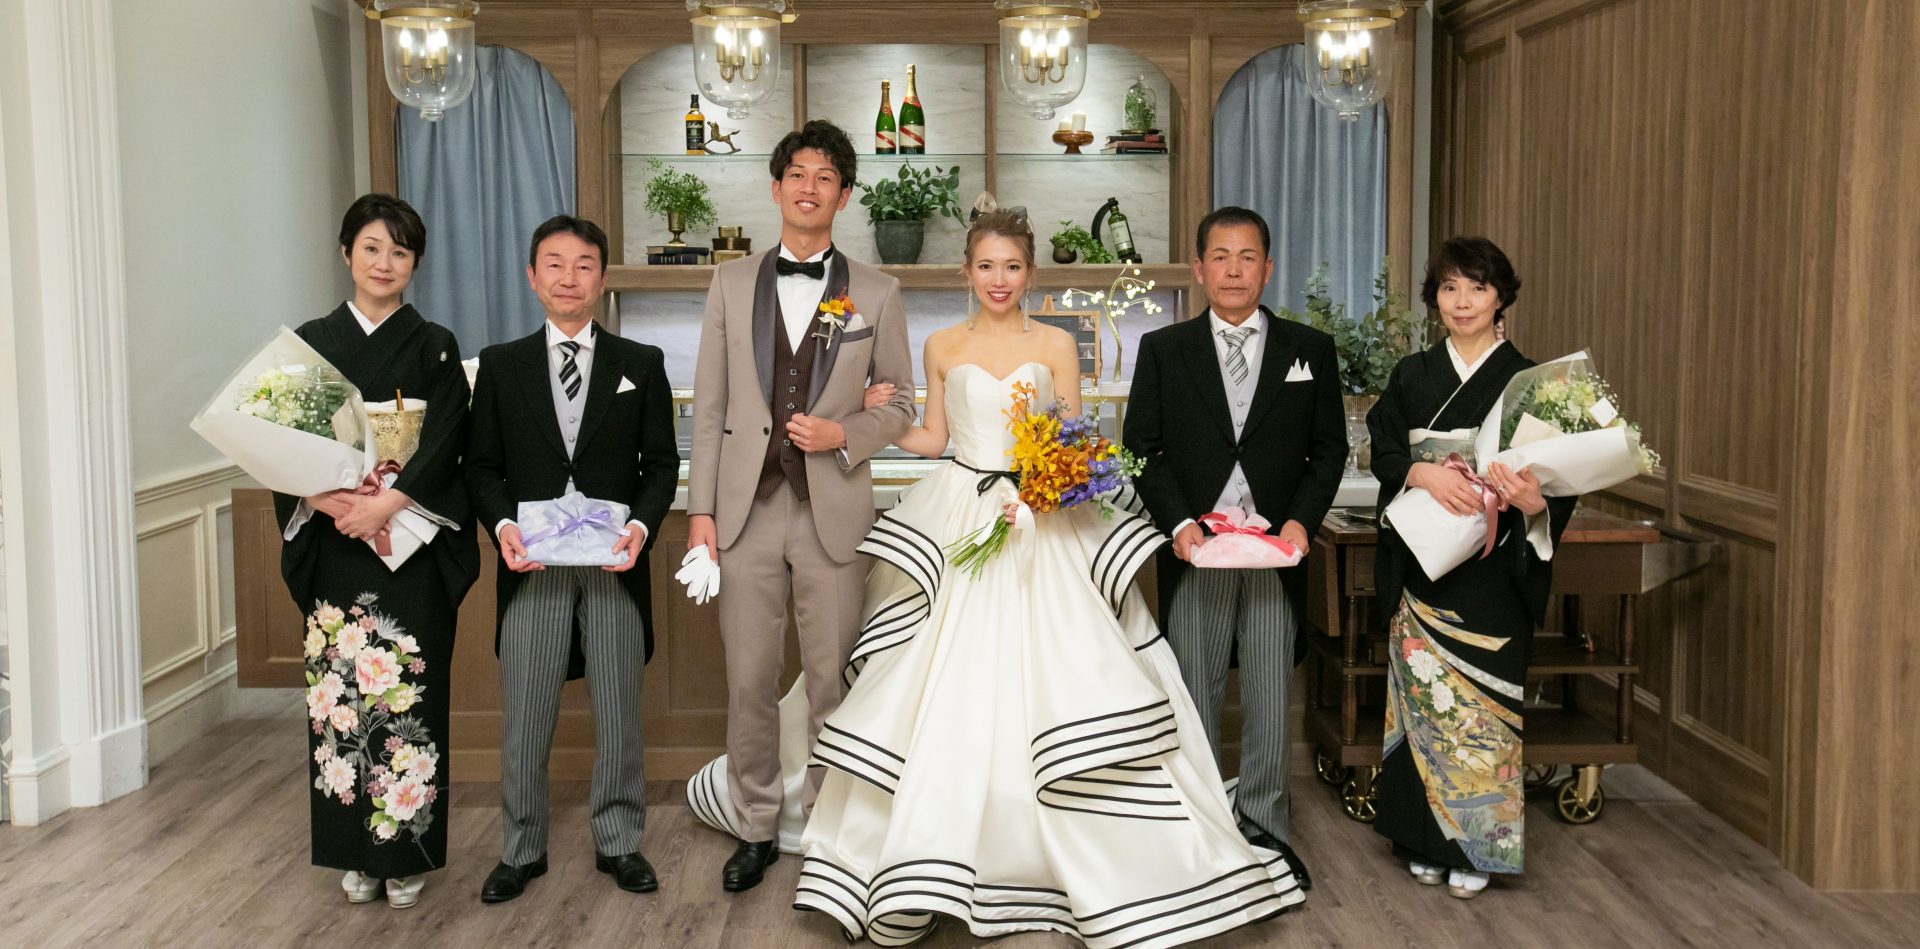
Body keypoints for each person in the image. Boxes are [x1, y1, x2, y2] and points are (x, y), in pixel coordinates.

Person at [793, 210, 1303, 947]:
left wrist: (1053, 479)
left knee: (1061, 676)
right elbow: (934, 438)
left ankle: (1072, 856)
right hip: (963, 511)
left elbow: (1074, 436)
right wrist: (880, 416)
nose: (998, 280)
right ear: (967, 272)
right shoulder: (942, 344)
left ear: (1029, 273)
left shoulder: (1058, 344)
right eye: (986, 266)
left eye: (1011, 266)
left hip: (1042, 517)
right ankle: (937, 853)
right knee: (949, 683)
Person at [682, 119, 918, 892]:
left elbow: (902, 405)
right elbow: (712, 407)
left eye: (826, 177)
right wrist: (701, 514)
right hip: (745, 511)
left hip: (833, 512)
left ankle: (828, 830)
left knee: (830, 682)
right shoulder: (729, 283)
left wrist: (843, 431)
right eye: (798, 174)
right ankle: (755, 825)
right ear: (776, 187)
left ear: (844, 196)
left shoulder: (877, 292)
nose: (809, 187)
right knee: (749, 677)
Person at [1122, 207, 1347, 889]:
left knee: (1272, 690)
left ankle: (1266, 828)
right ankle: (1196, 828)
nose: (1233, 270)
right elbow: (1142, 449)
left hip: (1277, 552)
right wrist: (1178, 524)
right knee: (1195, 689)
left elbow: (1328, 450)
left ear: (1267, 268)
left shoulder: (1310, 349)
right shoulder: (1164, 349)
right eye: (1219, 256)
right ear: (1199, 268)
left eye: (1248, 257)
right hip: (1200, 550)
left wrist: (1301, 523)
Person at [464, 215, 679, 902]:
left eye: (584, 265)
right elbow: (481, 466)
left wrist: (641, 527)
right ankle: (521, 848)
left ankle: (619, 841)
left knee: (619, 709)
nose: (568, 277)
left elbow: (660, 464)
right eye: (554, 264)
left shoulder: (641, 362)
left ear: (602, 278)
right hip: (531, 566)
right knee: (525, 712)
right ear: (532, 277)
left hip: (615, 564)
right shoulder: (500, 365)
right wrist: (503, 525)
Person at [277, 193, 478, 910]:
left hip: (410, 546)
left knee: (406, 697)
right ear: (346, 253)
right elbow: (284, 444)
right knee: (339, 702)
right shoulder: (311, 343)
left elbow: (449, 440)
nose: (384, 262)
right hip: (336, 544)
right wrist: (331, 500)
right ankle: (353, 855)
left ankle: (403, 852)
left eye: (399, 251)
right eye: (371, 247)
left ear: (415, 262)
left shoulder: (436, 345)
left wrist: (388, 503)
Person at [1365, 236, 1574, 898]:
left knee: (1482, 714)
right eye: (1449, 288)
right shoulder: (1412, 375)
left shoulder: (1534, 382)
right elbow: (1383, 449)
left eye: (1477, 288)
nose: (1462, 301)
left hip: (1493, 570)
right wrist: (1422, 471)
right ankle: (1420, 839)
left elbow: (1561, 483)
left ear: (1501, 297)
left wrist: (1535, 503)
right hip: (1425, 562)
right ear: (1435, 299)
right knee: (1422, 705)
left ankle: (1477, 848)